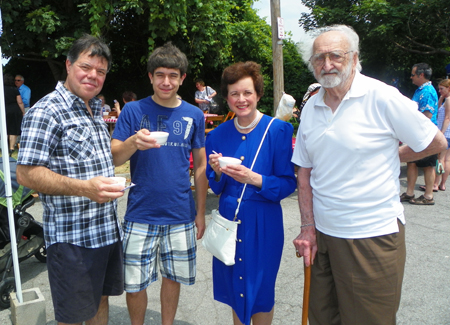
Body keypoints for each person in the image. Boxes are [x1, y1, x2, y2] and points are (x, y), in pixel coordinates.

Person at [292, 25, 446, 325]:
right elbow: (304, 174)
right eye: (318, 58)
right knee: (323, 317)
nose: (327, 64)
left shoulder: (382, 97)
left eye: (335, 55)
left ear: (354, 57)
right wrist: (307, 227)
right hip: (324, 236)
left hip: (371, 237)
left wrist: (393, 154)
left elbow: (435, 141)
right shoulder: (312, 106)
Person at [16, 35, 125, 325]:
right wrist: (85, 189)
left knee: (101, 299)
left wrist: (134, 142)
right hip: (72, 239)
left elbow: (103, 159)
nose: (93, 75)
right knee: (74, 314)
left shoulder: (95, 109)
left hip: (105, 230)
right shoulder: (46, 111)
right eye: (86, 67)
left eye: (101, 71)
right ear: (68, 64)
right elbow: (26, 173)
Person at [111, 42, 208, 325]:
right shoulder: (132, 111)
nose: (167, 81)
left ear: (182, 78)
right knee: (135, 283)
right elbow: (116, 157)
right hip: (140, 212)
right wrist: (132, 142)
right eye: (160, 75)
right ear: (151, 76)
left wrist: (200, 212)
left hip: (180, 213)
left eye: (173, 75)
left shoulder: (194, 115)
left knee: (172, 278)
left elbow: (200, 165)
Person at [206, 61, 297, 325]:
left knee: (261, 291)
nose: (241, 99)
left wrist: (254, 178)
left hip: (264, 222)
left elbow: (287, 184)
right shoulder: (217, 135)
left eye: (247, 93)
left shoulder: (278, 130)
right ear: (226, 98)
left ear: (258, 95)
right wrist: (219, 172)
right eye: (234, 93)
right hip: (229, 222)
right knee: (236, 289)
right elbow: (216, 185)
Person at [400, 63, 439, 205]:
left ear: (421, 75)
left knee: (427, 165)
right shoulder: (420, 90)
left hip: (426, 133)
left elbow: (427, 114)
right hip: (416, 133)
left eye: (413, 74)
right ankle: (409, 192)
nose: (411, 77)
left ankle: (428, 196)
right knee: (411, 162)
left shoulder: (427, 91)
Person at [433, 79, 450, 191]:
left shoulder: (448, 100)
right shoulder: (446, 100)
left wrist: (441, 134)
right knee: (447, 160)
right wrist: (441, 97)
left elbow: (447, 118)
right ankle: (443, 184)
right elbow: (438, 108)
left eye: (441, 89)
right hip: (449, 134)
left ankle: (435, 183)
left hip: (446, 133)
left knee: (440, 159)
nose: (439, 91)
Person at [4, 74, 25, 156]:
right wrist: (23, 112)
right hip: (14, 110)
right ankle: (11, 148)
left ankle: (4, 147)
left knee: (4, 129)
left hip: (3, 109)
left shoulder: (1, 89)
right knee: (13, 129)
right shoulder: (14, 89)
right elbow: (20, 102)